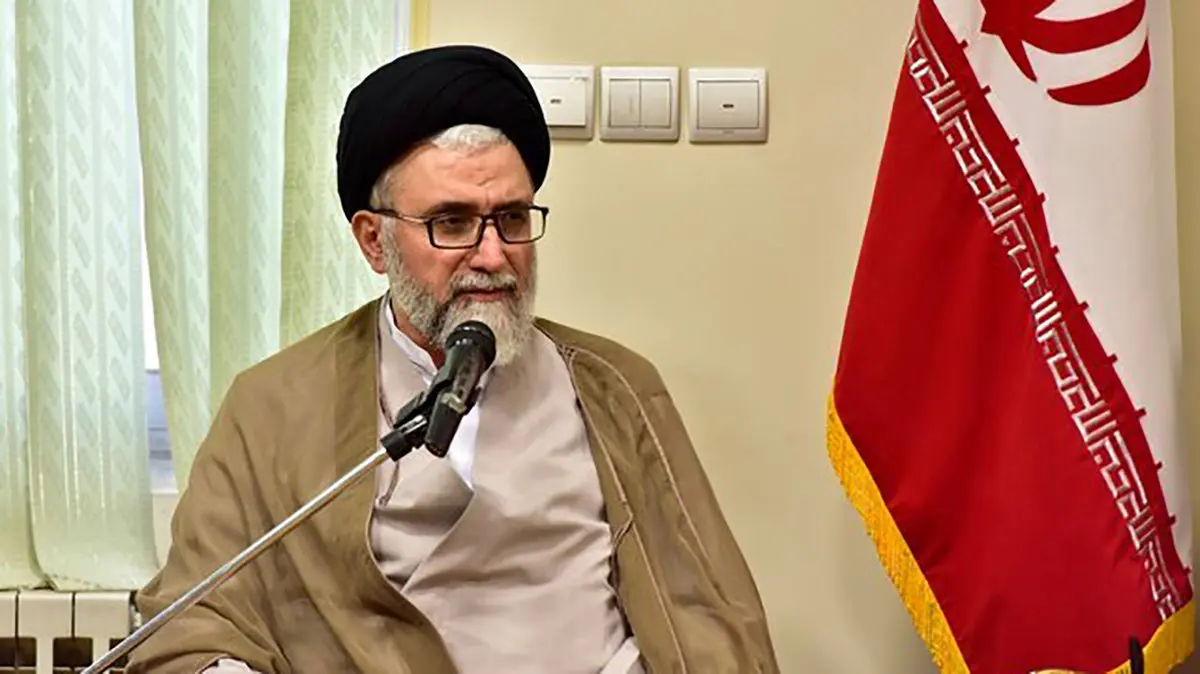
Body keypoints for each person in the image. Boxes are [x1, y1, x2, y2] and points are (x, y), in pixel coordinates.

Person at [127, 44, 778, 674]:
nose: (493, 255)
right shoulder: (274, 405)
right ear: (374, 241)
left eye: (512, 219)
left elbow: (709, 620)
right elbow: (191, 624)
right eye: (453, 223)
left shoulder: (615, 389)